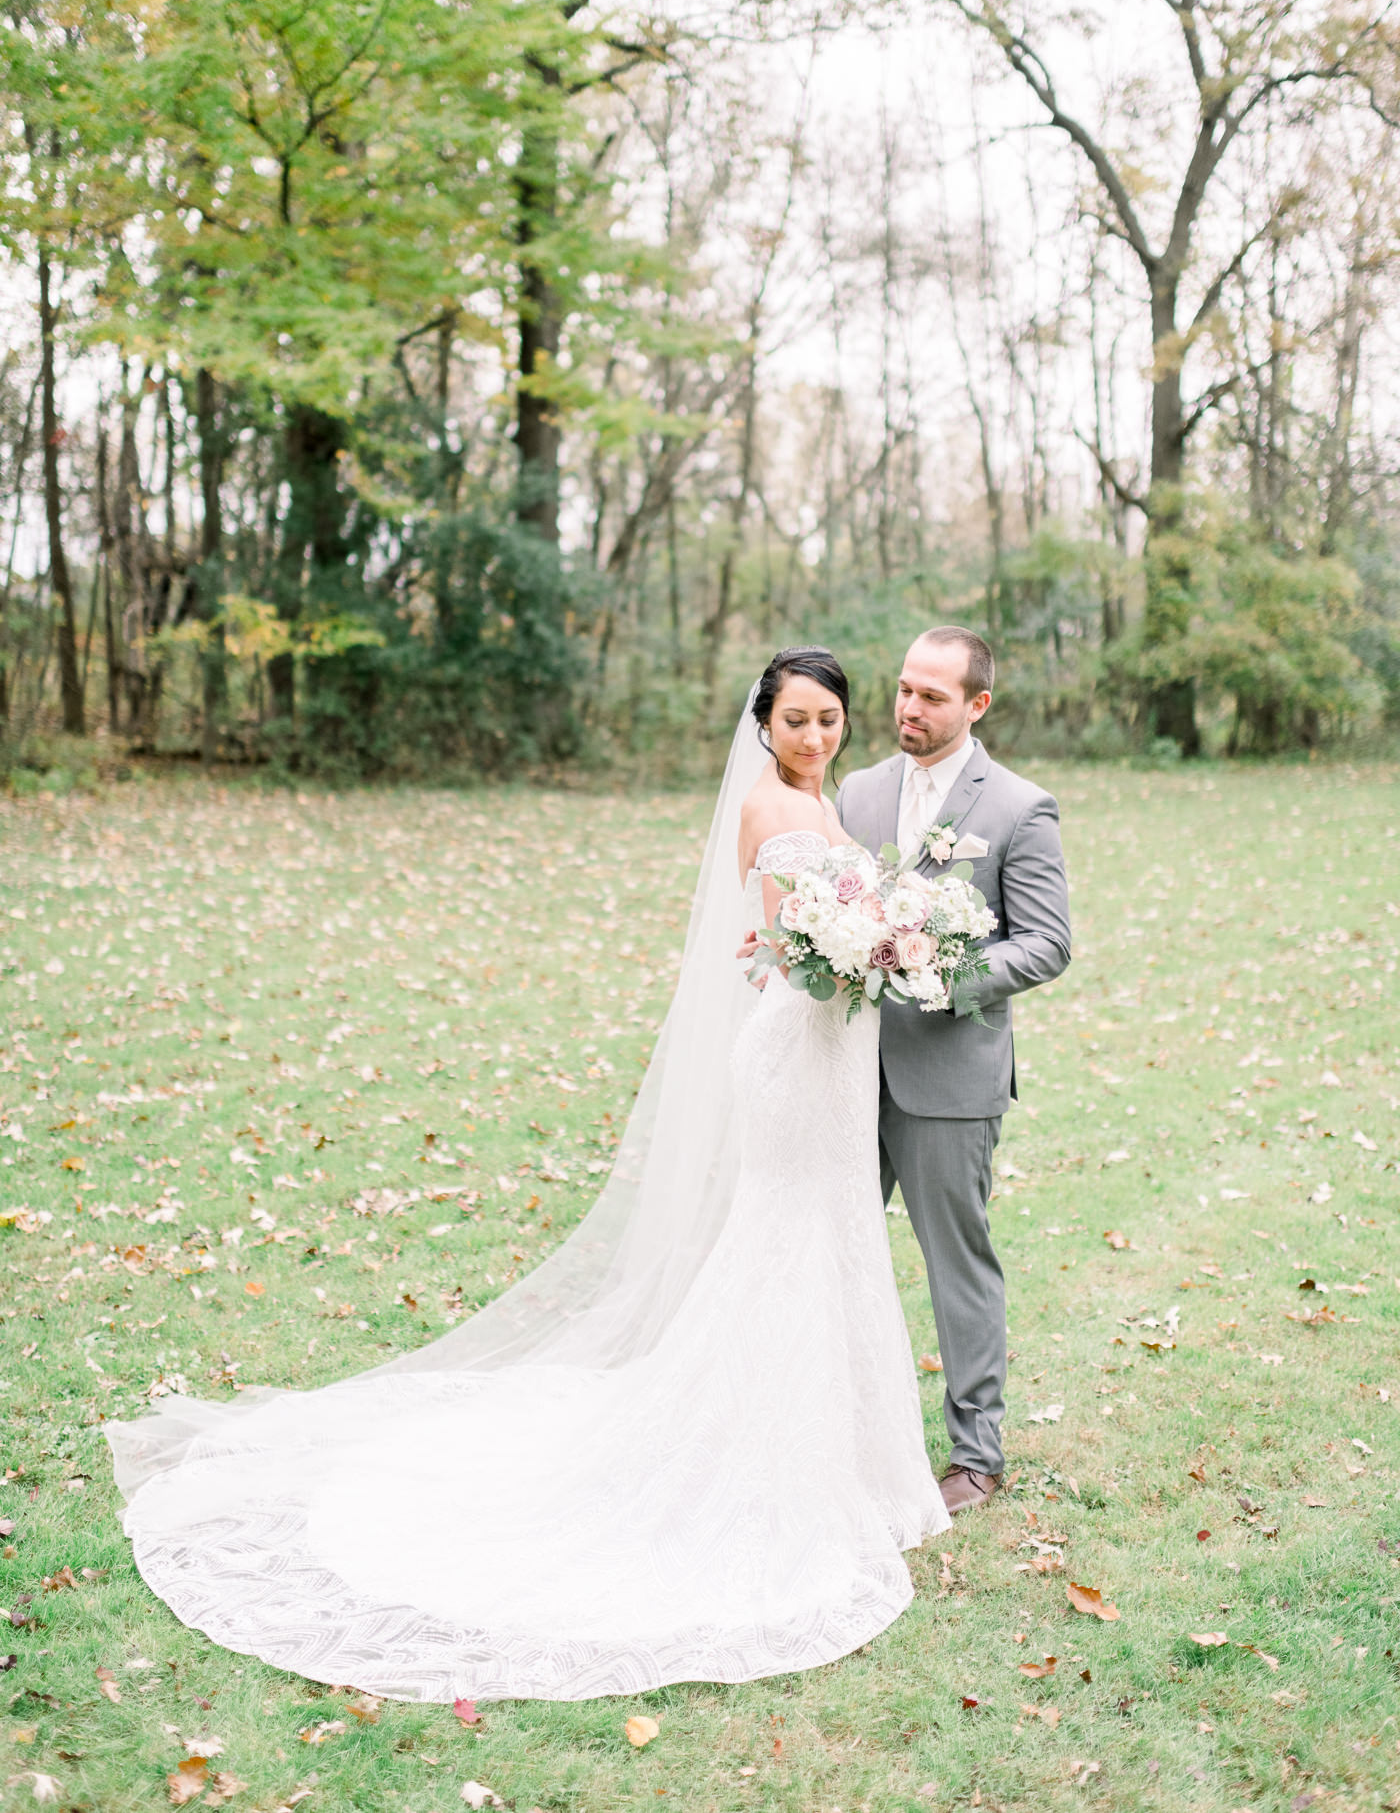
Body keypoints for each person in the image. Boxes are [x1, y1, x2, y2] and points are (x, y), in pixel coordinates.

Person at [105, 647, 948, 1703]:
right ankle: (751, 1460)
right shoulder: (765, 810)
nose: (814, 737)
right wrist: (861, 942)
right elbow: (782, 941)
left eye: (828, 719)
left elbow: (837, 924)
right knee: (780, 1234)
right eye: (794, 721)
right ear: (763, 725)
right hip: (791, 1051)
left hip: (839, 1055)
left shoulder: (825, 809)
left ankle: (857, 1468)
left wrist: (890, 938)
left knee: (834, 1234)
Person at [836, 626, 1072, 1514]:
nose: (909, 708)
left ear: (977, 705)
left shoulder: (1019, 807)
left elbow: (1048, 944)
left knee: (955, 1263)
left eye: (932, 696)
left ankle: (976, 1455)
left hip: (948, 1076)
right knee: (823, 1248)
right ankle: (829, 1428)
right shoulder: (856, 792)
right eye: (903, 689)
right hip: (845, 1071)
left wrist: (940, 973)